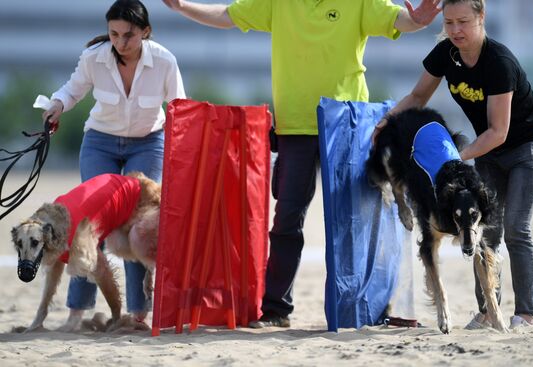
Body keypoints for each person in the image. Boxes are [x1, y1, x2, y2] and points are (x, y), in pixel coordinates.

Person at [162, 0, 441, 328]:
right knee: (287, 220)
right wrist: (182, 7)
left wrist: (419, 20)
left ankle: (362, 307)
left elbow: (399, 20)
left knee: (356, 220)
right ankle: (277, 310)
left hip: (344, 126)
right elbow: (228, 15)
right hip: (294, 127)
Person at [373, 0, 533, 329]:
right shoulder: (446, 54)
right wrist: (386, 121)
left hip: (528, 148)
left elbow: (499, 131)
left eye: (463, 22)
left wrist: (454, 157)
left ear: (481, 18)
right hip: (488, 150)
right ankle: (487, 312)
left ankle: (525, 313)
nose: (455, 30)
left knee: (515, 228)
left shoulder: (499, 62)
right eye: (449, 22)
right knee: (484, 231)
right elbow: (417, 98)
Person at [42, 0, 185, 331]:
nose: (120, 42)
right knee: (90, 226)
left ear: (145, 32)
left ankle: (137, 313)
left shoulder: (165, 61)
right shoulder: (94, 57)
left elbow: (180, 107)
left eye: (129, 35)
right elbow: (72, 89)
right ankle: (77, 313)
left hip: (149, 142)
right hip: (100, 143)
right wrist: (56, 106)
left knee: (139, 228)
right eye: (114, 34)